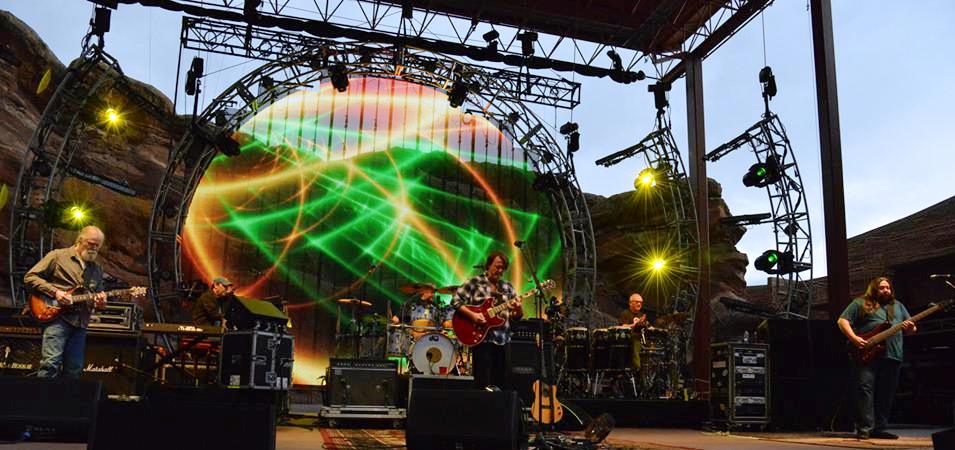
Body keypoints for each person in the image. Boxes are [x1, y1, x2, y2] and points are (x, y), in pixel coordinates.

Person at [837, 277, 916, 440]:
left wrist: (910, 328)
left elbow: (911, 330)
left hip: (893, 354)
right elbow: (842, 320)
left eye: (888, 288)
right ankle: (865, 428)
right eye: (882, 288)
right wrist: (854, 338)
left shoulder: (898, 306)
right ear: (873, 289)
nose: (886, 290)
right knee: (865, 389)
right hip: (867, 354)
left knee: (886, 393)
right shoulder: (860, 303)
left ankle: (879, 428)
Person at [24, 225, 107, 378]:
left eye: (98, 245)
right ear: (80, 240)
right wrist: (56, 292)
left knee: (74, 368)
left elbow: (97, 296)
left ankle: (68, 395)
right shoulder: (58, 256)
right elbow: (30, 277)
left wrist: (100, 303)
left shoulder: (96, 269)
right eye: (91, 244)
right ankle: (42, 394)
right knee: (50, 364)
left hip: (80, 322)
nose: (94, 248)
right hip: (57, 318)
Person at [452, 250, 523, 389]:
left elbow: (516, 317)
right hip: (481, 339)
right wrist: (473, 315)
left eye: (503, 268)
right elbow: (455, 301)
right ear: (488, 265)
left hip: (502, 339)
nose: (500, 270)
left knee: (501, 384)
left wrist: (518, 309)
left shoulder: (507, 287)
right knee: (482, 382)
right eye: (497, 266)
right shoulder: (474, 282)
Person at [618, 293, 649, 372]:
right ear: (630, 303)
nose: (639, 304)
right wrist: (635, 324)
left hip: (640, 338)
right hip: (629, 338)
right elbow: (623, 326)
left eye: (640, 302)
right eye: (637, 302)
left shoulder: (641, 315)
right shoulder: (625, 313)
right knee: (636, 341)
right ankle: (637, 367)